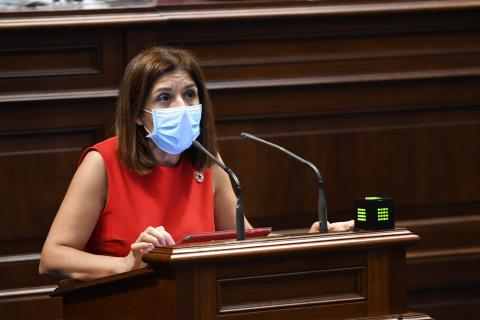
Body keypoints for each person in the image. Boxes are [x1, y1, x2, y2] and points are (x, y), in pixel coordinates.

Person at [39, 46, 352, 281]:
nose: (182, 107)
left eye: (190, 95)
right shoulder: (103, 162)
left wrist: (311, 240)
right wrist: (123, 266)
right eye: (165, 98)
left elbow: (247, 243)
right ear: (137, 113)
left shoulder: (209, 164)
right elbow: (52, 257)